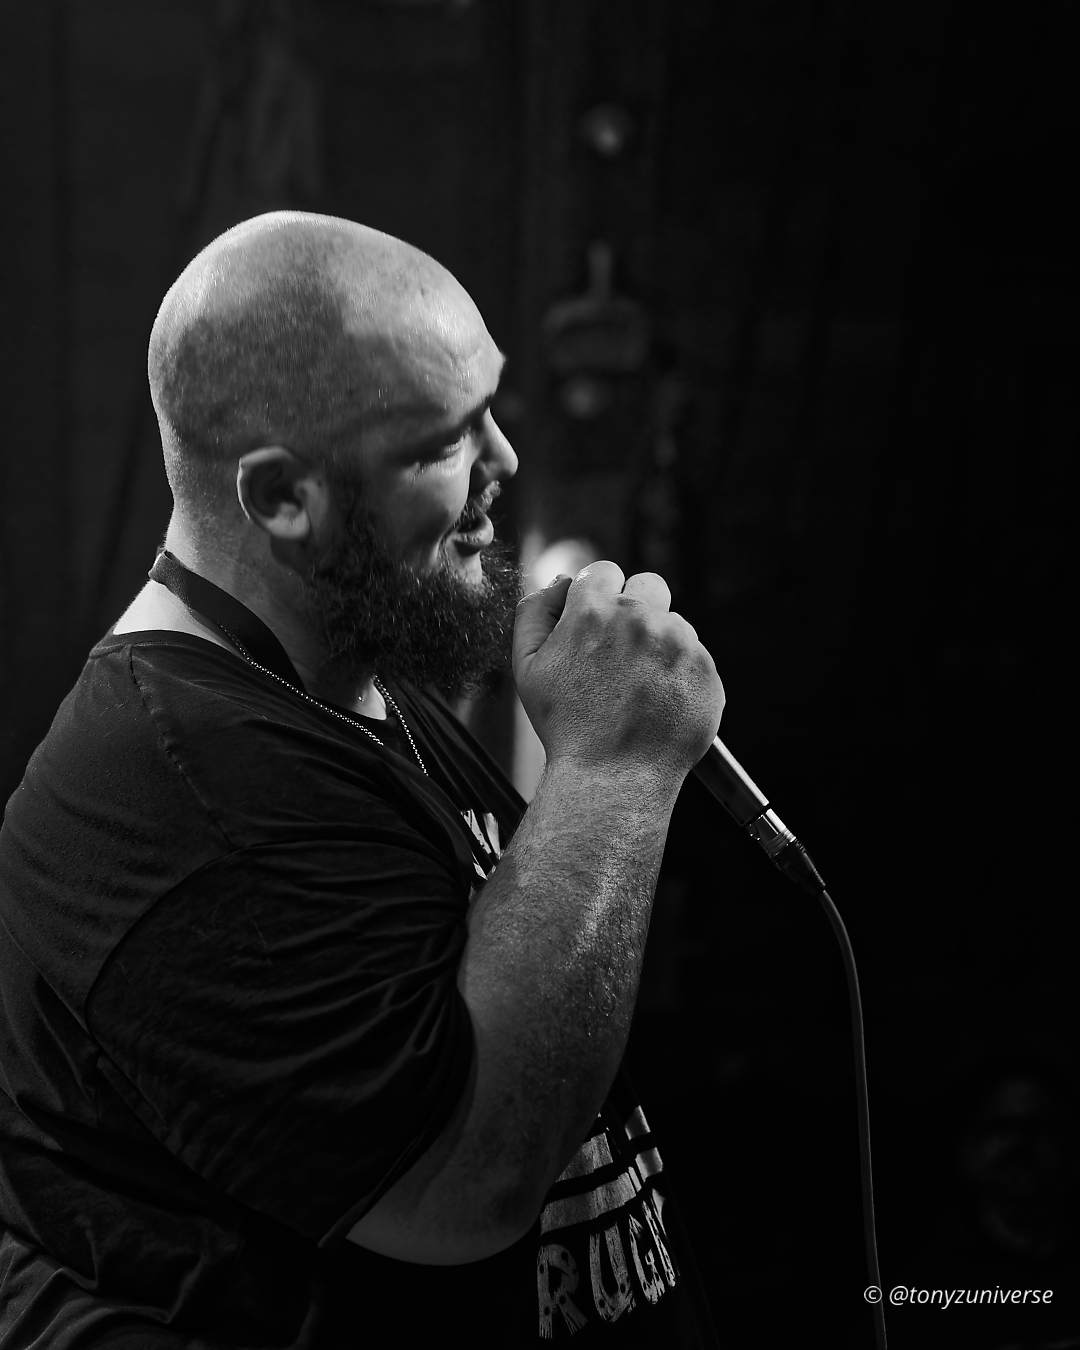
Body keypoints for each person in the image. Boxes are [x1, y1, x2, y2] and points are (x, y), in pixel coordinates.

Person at [0, 211, 725, 1348]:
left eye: (490, 410)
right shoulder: (176, 780)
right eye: (444, 441)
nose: (504, 463)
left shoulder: (345, 665)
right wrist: (613, 768)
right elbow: (468, 1182)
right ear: (283, 497)